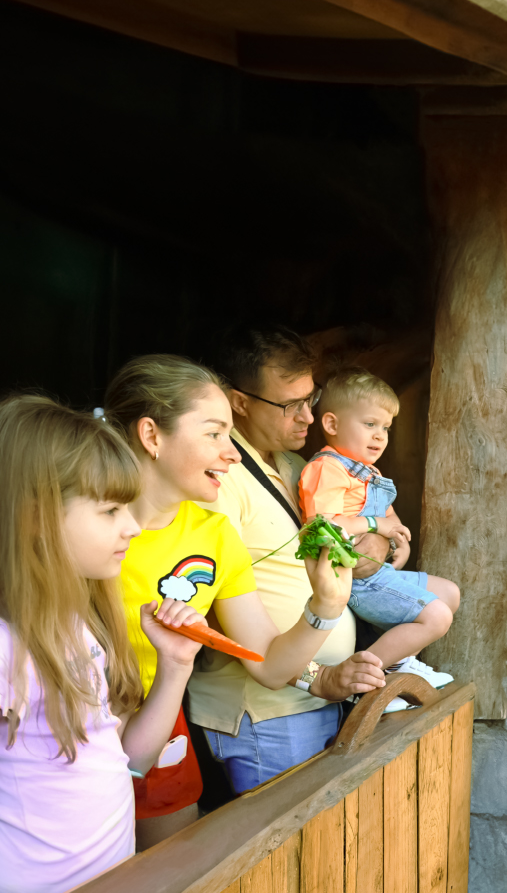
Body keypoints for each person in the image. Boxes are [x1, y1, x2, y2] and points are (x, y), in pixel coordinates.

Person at [104, 354, 354, 825]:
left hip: (159, 724)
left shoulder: (215, 535)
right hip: (66, 727)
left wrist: (326, 605)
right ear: (152, 435)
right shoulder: (78, 526)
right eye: (215, 433)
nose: (234, 453)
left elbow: (269, 665)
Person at [0, 395, 204, 893]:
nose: (131, 528)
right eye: (110, 510)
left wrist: (175, 666)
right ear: (35, 518)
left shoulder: (77, 622)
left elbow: (128, 762)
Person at [190, 327, 385, 791]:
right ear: (239, 402)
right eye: (289, 404)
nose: (308, 416)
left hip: (320, 697)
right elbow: (223, 612)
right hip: (266, 712)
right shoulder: (219, 482)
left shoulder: (299, 467)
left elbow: (369, 543)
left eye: (310, 397)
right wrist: (321, 676)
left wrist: (381, 545)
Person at [298, 370, 459, 697]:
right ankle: (367, 678)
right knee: (437, 617)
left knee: (450, 594)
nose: (380, 436)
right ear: (331, 425)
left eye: (385, 427)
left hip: (378, 571)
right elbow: (322, 525)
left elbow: (386, 512)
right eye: (369, 424)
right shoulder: (326, 468)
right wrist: (375, 527)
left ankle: (397, 663)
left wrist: (396, 538)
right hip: (352, 579)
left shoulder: (369, 472)